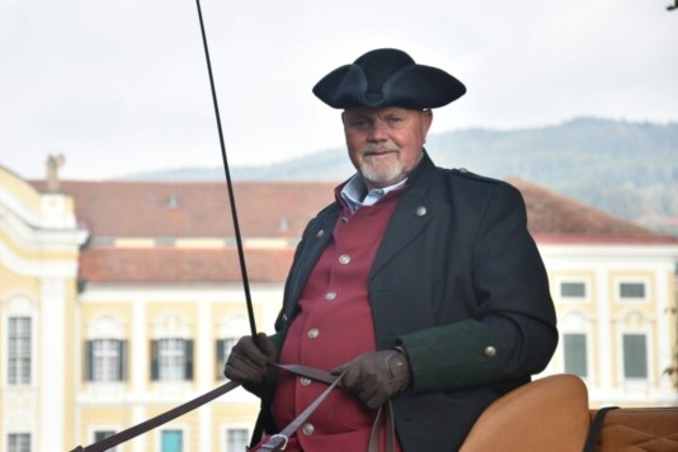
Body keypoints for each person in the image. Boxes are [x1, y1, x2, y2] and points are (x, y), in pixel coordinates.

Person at [224, 48, 558, 451]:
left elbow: (528, 334)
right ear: (346, 129)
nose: (377, 134)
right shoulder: (321, 225)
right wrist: (266, 361)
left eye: (394, 120)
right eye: (361, 122)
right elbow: (316, 331)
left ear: (425, 123)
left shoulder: (481, 208)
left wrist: (408, 364)